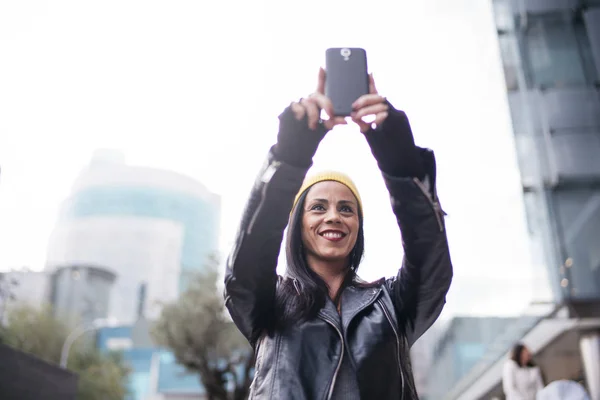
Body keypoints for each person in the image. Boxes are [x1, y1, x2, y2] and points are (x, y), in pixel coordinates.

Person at [224, 68, 453, 399]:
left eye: (347, 209)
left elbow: (430, 257)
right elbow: (249, 255)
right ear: (297, 224)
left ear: (358, 226)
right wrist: (290, 158)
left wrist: (401, 165)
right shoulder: (267, 302)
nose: (334, 217)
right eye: (318, 207)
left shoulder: (391, 304)